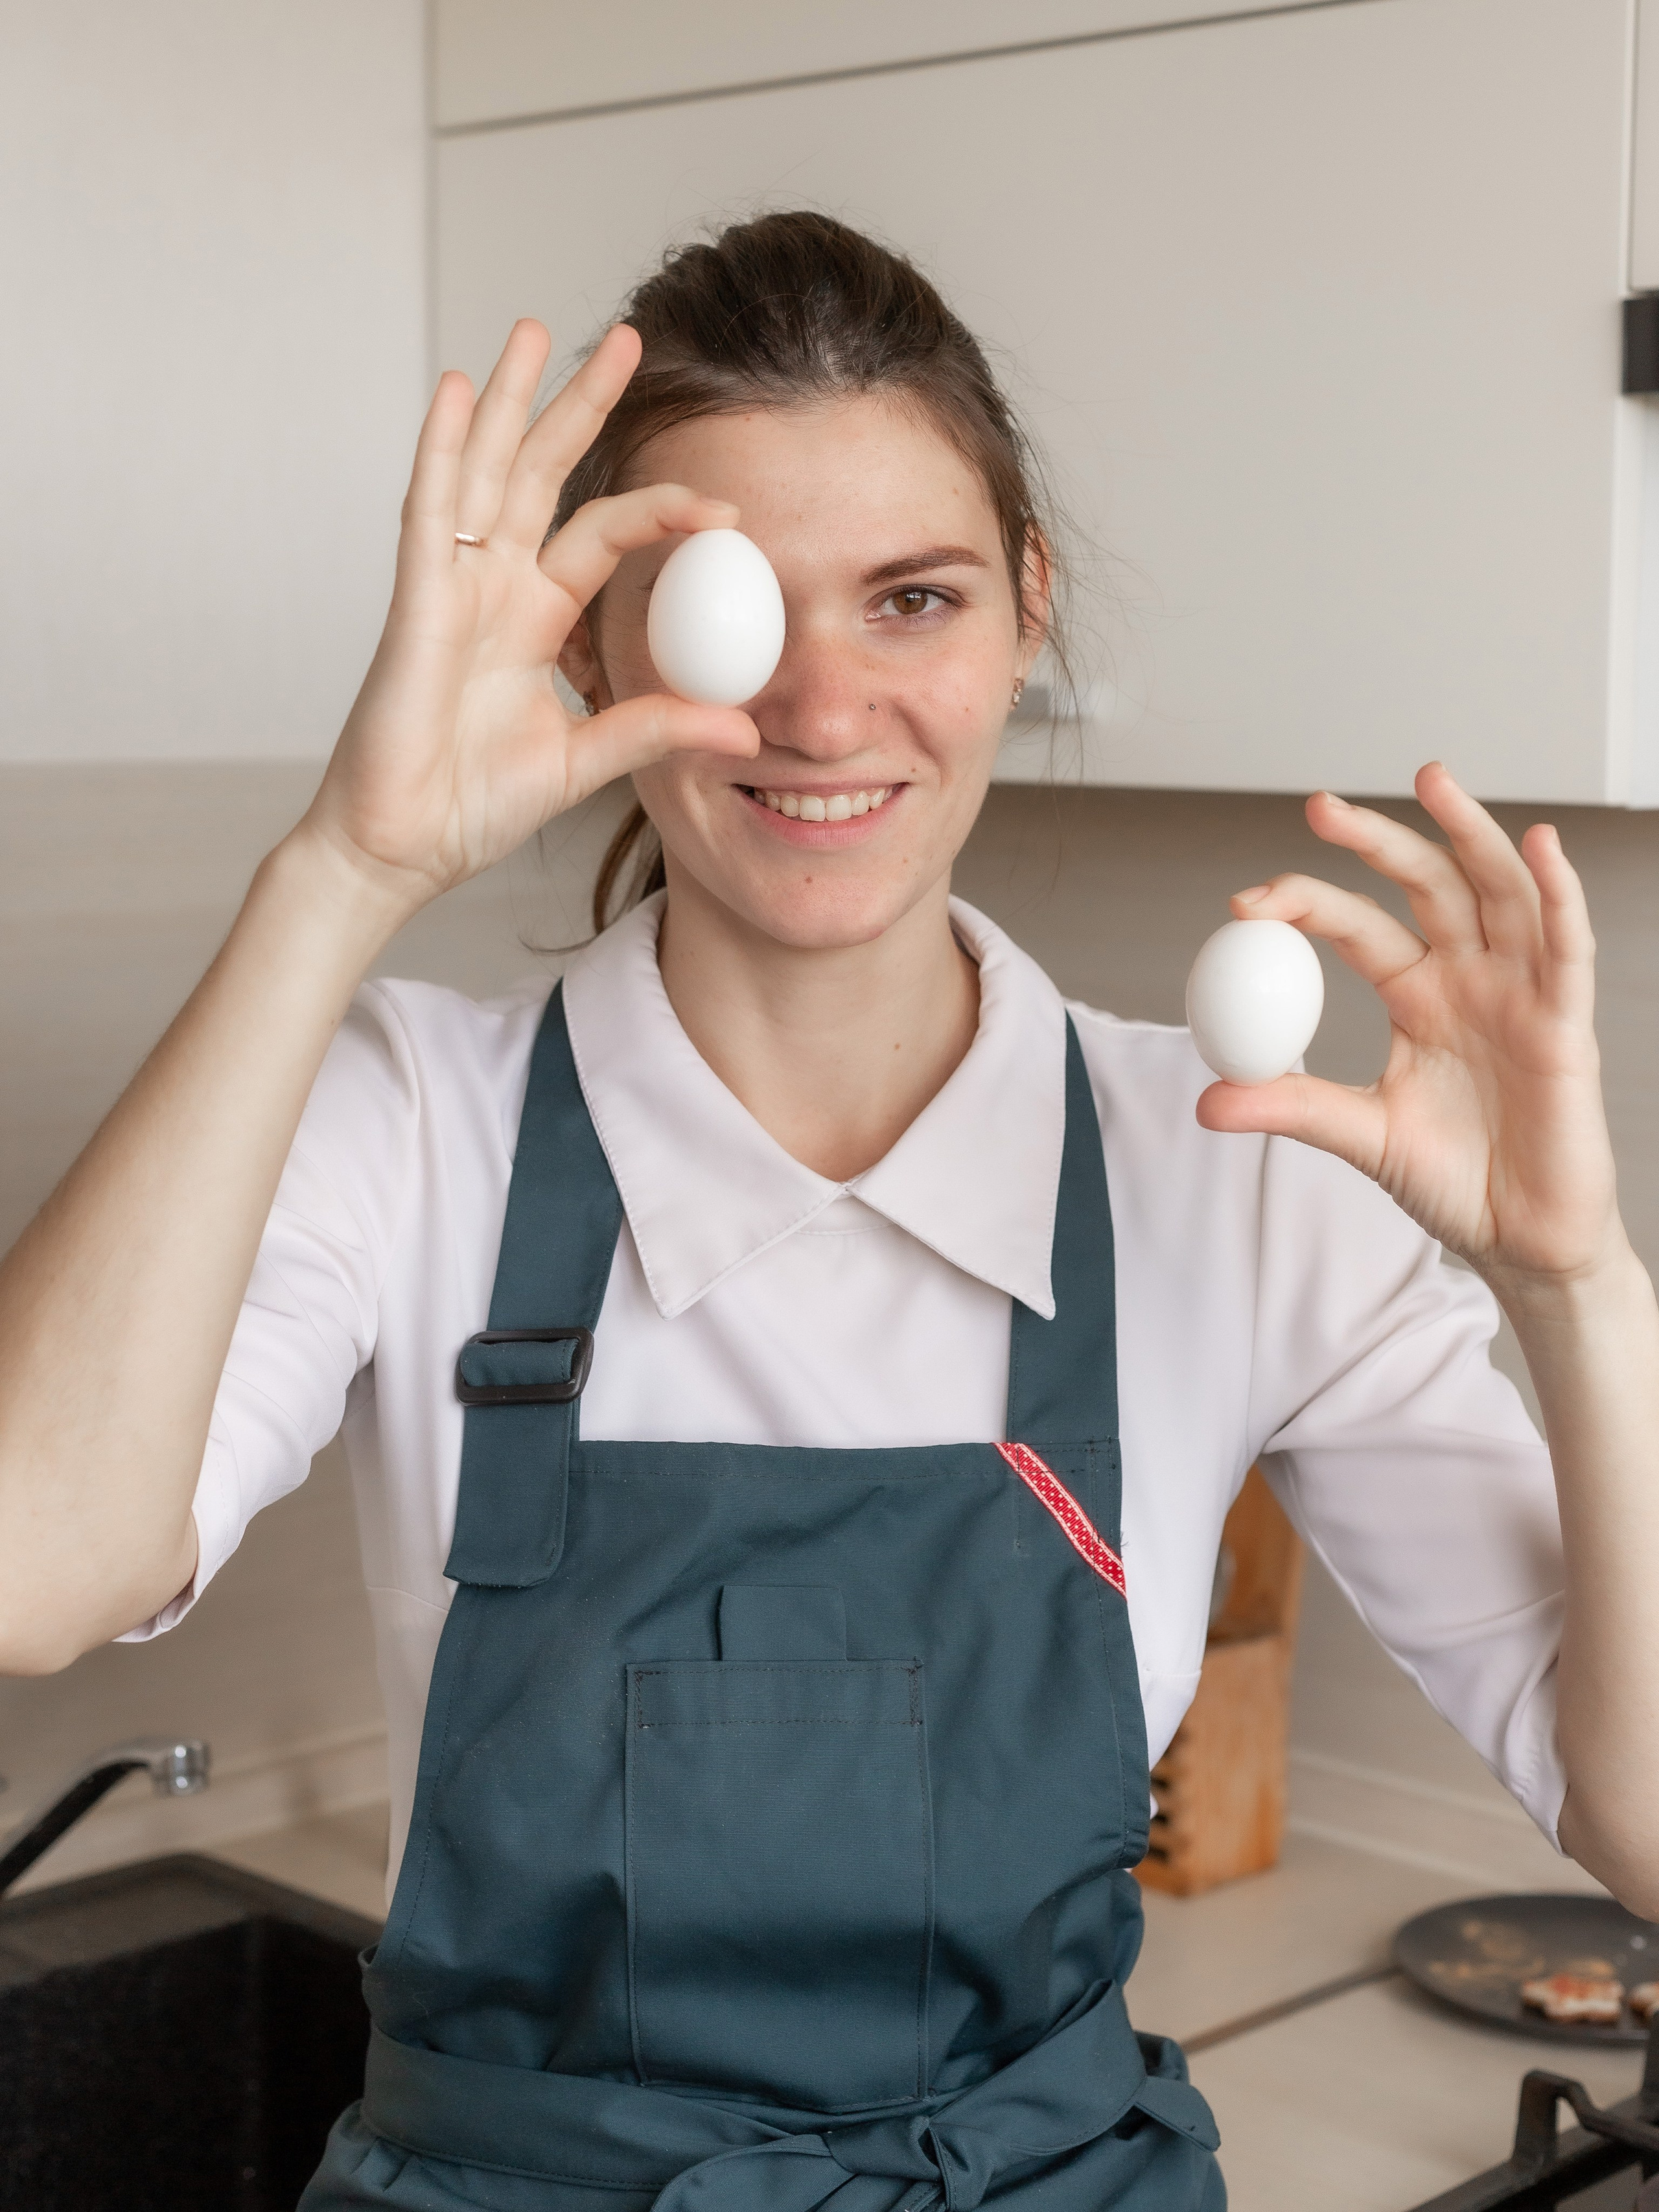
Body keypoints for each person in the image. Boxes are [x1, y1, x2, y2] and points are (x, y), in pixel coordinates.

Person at [1, 211, 1656, 2211]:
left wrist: (1576, 1282)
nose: (816, 705)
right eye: (727, 606)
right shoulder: (414, 1119)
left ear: (1027, 609)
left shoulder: (1228, 1157)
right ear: (598, 637)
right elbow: (31, 1573)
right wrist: (345, 864)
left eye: (913, 599)